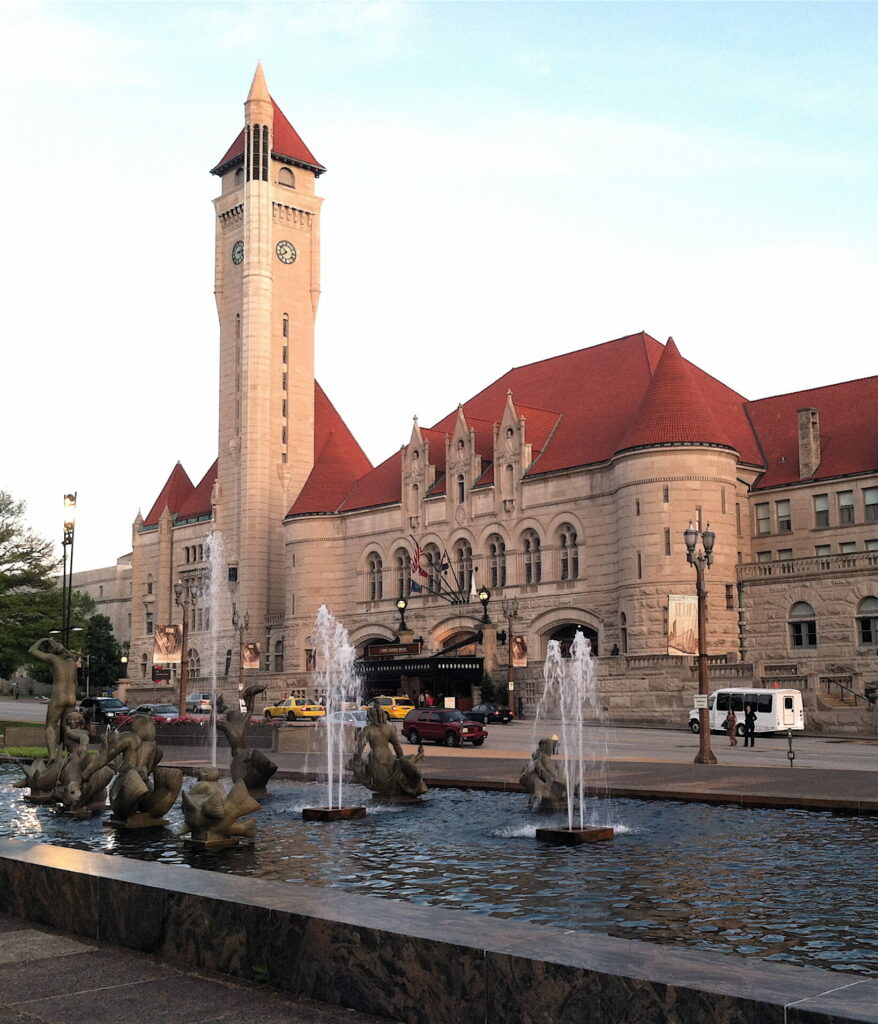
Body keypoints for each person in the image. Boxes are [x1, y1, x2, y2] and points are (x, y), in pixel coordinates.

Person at [28, 637, 79, 759]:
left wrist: (42, 640)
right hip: (72, 697)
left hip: (59, 696)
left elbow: (32, 650)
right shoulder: (72, 662)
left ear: (52, 650)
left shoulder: (53, 659)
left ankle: (52, 756)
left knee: (50, 727)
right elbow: (76, 682)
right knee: (68, 728)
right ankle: (73, 755)